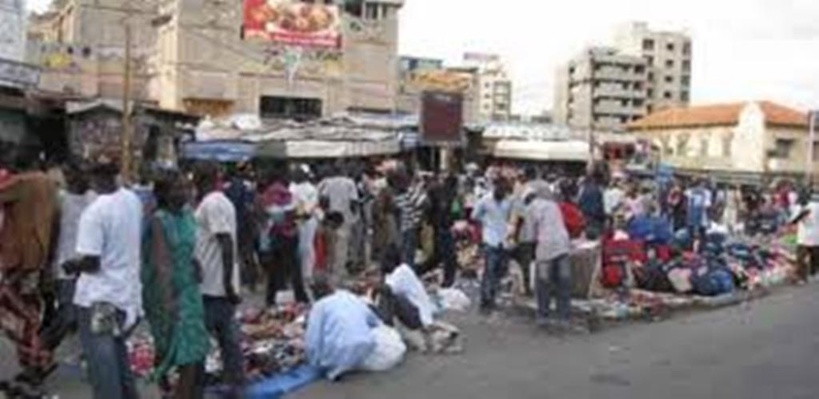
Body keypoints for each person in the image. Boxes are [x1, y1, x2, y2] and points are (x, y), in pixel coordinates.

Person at [64, 156, 142, 399]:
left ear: (95, 177)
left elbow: (91, 262)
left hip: (99, 299)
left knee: (102, 365)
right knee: (118, 358)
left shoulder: (95, 212)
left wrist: (70, 265)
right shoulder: (131, 200)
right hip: (123, 295)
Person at [142, 171, 210, 399]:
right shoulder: (160, 220)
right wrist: (168, 299)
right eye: (177, 188)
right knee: (168, 346)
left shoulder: (188, 215)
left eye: (186, 188)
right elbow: (162, 263)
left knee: (191, 350)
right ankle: (169, 389)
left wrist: (195, 264)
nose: (184, 193)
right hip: (165, 290)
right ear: (163, 193)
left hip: (189, 286)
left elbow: (188, 247)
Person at [0, 158, 59, 390]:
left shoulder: (24, 183)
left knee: (22, 315)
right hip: (37, 257)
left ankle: (39, 361)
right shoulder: (48, 184)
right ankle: (35, 363)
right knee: (28, 313)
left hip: (20, 260)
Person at [192, 162, 244, 398]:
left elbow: (225, 241)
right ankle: (234, 381)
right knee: (226, 336)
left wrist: (226, 283)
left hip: (213, 284)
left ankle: (206, 383)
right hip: (216, 282)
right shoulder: (219, 202)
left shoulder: (212, 203)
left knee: (206, 337)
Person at [41, 161, 96, 353]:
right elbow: (53, 233)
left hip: (89, 265)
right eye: (72, 174)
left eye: (82, 174)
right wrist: (49, 264)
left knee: (82, 315)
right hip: (65, 265)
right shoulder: (61, 200)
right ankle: (41, 348)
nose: (78, 178)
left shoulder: (94, 199)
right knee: (68, 314)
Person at [305, 276, 382, 381]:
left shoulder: (319, 306)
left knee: (329, 348)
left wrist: (313, 361)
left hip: (339, 351)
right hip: (365, 345)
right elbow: (374, 321)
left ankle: (337, 367)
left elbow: (313, 340)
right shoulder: (349, 296)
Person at [258, 170, 309, 306]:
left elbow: (269, 216)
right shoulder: (285, 192)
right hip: (289, 235)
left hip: (276, 235)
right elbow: (296, 213)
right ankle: (299, 298)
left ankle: (273, 299)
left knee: (276, 270)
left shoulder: (269, 193)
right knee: (293, 268)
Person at [526, 186, 573, 329]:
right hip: (563, 244)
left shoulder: (530, 208)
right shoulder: (553, 205)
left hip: (545, 246)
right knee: (563, 282)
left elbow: (530, 235)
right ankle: (564, 317)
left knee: (543, 282)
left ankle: (543, 316)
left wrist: (531, 248)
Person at [472, 179, 512, 313]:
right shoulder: (485, 200)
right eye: (499, 189)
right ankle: (486, 299)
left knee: (499, 271)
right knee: (489, 271)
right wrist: (486, 222)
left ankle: (492, 297)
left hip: (503, 240)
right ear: (495, 188)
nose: (501, 192)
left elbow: (510, 218)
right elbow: (475, 216)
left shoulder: (508, 201)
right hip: (490, 239)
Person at [318, 165, 360, 278]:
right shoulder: (349, 182)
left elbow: (323, 199)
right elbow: (353, 201)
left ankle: (330, 269)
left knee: (331, 244)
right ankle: (340, 271)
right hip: (345, 217)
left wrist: (326, 212)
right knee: (343, 245)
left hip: (332, 217)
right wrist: (355, 216)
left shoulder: (328, 182)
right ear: (343, 171)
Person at [420, 174, 460, 287]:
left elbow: (426, 207)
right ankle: (448, 280)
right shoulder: (451, 193)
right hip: (444, 227)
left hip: (436, 227)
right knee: (449, 256)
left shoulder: (434, 190)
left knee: (438, 256)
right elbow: (456, 211)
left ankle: (419, 270)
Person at [391, 168, 428, 270]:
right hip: (411, 227)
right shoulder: (408, 193)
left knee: (405, 252)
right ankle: (408, 271)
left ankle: (406, 271)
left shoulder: (397, 196)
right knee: (408, 252)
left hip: (404, 227)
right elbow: (424, 202)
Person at [290, 165, 320, 284]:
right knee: (296, 248)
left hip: (307, 221)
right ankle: (297, 273)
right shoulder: (292, 186)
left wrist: (302, 214)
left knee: (306, 247)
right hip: (294, 220)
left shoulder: (311, 188)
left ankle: (307, 274)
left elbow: (310, 207)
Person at [791, 191, 819, 283]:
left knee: (815, 256)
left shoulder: (816, 206)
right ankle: (802, 277)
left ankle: (814, 273)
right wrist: (801, 214)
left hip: (815, 236)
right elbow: (793, 220)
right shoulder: (798, 208)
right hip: (803, 237)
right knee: (800, 258)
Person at [578, 172, 606, 239]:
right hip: (595, 214)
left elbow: (580, 201)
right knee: (595, 231)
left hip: (586, 212)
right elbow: (600, 203)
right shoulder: (598, 189)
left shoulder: (583, 189)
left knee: (587, 229)